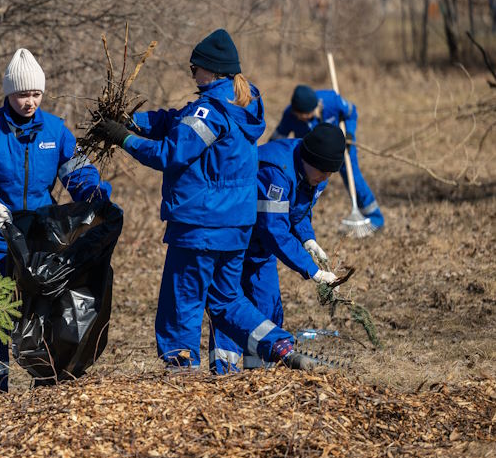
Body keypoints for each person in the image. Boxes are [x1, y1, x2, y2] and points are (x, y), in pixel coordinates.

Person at [92, 29, 312, 371]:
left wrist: (124, 139)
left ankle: (182, 378)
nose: (192, 74)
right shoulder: (241, 104)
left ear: (212, 70)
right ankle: (279, 346)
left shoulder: (212, 112)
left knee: (182, 303)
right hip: (236, 227)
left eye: (195, 68)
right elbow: (175, 121)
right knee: (227, 301)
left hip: (200, 227)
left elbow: (171, 153)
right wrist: (132, 120)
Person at [0, 48, 112, 393]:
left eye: (36, 94)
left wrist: (95, 196)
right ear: (9, 93)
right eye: (23, 94)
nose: (30, 102)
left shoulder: (55, 130)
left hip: (39, 242)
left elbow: (78, 173)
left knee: (44, 314)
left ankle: (47, 385)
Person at [209, 123, 345, 374]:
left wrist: (307, 239)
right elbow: (274, 230)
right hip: (234, 244)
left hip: (261, 251)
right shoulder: (275, 172)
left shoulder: (316, 174)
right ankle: (223, 372)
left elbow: (298, 210)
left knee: (268, 306)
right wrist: (311, 269)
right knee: (231, 309)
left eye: (330, 174)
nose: (325, 179)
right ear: (309, 159)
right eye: (322, 172)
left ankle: (258, 373)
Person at [270, 85, 383, 230]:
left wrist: (349, 134)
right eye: (297, 114)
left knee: (354, 179)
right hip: (312, 160)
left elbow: (351, 112)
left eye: (303, 115)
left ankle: (375, 218)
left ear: (313, 108)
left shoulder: (332, 101)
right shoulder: (290, 113)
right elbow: (279, 136)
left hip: (342, 149)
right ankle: (296, 222)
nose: (299, 118)